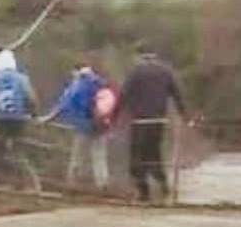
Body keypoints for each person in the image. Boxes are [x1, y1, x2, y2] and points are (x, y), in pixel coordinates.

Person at [116, 46, 186, 202]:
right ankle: (163, 185)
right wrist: (184, 115)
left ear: (140, 56)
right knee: (154, 153)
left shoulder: (135, 73)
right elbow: (176, 94)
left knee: (137, 156)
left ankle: (143, 191)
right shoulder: (165, 72)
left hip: (140, 121)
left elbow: (123, 95)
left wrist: (113, 116)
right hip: (159, 121)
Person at [40, 64, 114, 192]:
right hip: (101, 124)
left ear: (76, 71)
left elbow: (64, 104)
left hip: (84, 125)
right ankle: (103, 183)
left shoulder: (78, 84)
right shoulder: (100, 82)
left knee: (78, 154)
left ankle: (72, 182)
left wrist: (48, 118)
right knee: (99, 155)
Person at [0, 48, 38, 187]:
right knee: (17, 149)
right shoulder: (22, 78)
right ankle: (19, 182)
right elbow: (30, 97)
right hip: (18, 117)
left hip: (0, 116)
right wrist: (33, 112)